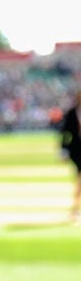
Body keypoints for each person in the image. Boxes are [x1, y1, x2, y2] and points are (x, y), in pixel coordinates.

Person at [59, 88, 81, 223]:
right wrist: (63, 150)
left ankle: (75, 208)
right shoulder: (72, 113)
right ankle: (75, 208)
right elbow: (65, 133)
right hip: (77, 151)